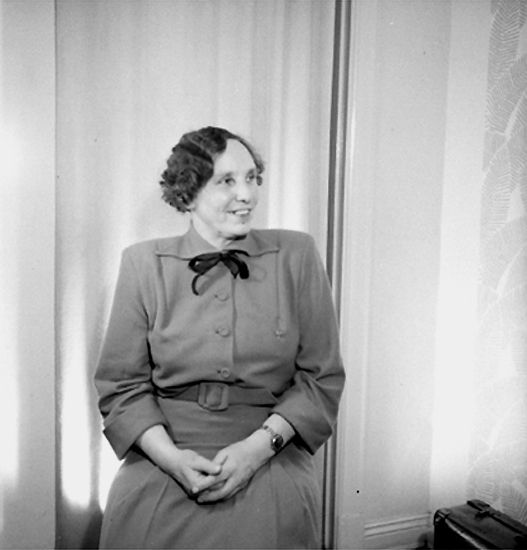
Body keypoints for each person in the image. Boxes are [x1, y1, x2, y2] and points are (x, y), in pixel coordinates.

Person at [94, 126, 345, 549]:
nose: (247, 195)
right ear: (188, 192)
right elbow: (121, 387)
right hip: (164, 449)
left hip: (270, 446)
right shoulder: (142, 264)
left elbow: (321, 378)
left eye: (252, 178)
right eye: (227, 181)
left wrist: (256, 451)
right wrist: (172, 461)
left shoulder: (296, 256)